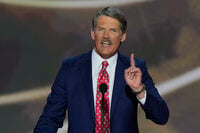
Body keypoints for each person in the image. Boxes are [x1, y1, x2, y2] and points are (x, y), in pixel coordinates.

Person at [34, 7, 169, 133]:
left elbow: (161, 117)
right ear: (93, 33)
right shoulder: (71, 68)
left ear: (123, 36)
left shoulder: (135, 68)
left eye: (113, 30)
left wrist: (139, 90)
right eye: (101, 29)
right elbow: (50, 118)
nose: (106, 36)